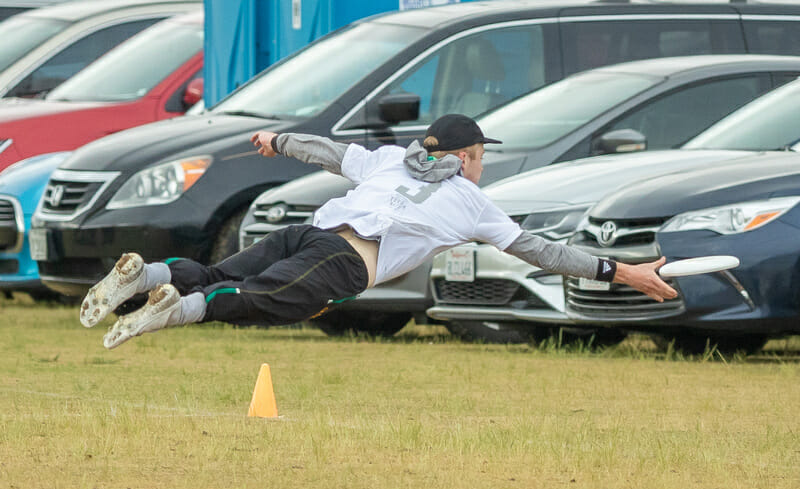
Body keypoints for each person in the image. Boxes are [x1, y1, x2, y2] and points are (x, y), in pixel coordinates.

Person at [80, 114, 677, 349]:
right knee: (262, 301)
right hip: (343, 259)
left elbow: (328, 152)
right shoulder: (471, 200)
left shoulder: (392, 157)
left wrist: (275, 140)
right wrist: (619, 270)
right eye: (480, 155)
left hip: (305, 232)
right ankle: (166, 310)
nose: (482, 164)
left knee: (219, 273)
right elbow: (541, 250)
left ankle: (150, 275)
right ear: (467, 157)